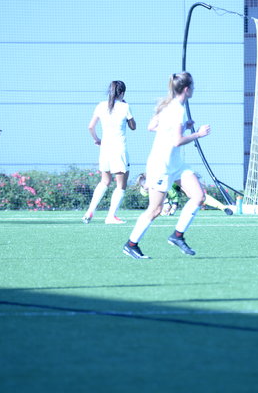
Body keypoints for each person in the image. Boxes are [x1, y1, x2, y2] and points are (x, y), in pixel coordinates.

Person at [123, 72, 210, 259]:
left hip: (175, 164)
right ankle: (131, 245)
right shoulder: (176, 109)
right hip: (161, 165)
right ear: (186, 89)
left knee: (198, 196)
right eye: (192, 87)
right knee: (155, 210)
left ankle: (177, 236)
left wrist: (183, 126)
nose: (194, 89)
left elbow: (152, 127)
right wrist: (198, 134)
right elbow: (177, 141)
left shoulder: (168, 106)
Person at [82, 81, 136, 224]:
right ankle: (111, 216)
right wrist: (126, 107)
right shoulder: (125, 106)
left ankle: (89, 211)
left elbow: (90, 127)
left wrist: (97, 140)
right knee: (121, 185)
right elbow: (133, 126)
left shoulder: (101, 105)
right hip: (119, 149)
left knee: (104, 181)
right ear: (122, 93)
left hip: (105, 149)